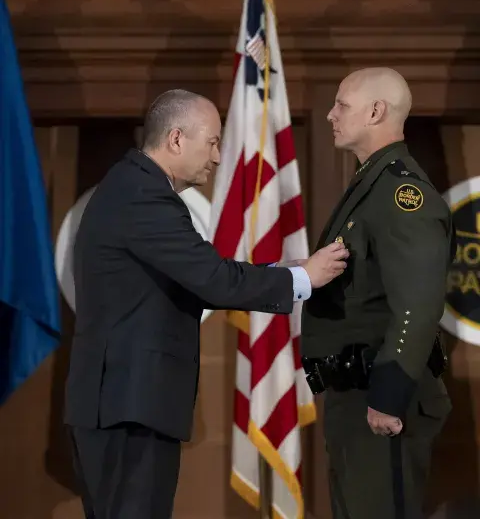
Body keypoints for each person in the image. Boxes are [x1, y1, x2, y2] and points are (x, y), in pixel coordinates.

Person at [64, 89, 349, 519]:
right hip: (127, 408)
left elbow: (197, 275)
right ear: (176, 139)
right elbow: (213, 280)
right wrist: (304, 278)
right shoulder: (144, 196)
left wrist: (283, 268)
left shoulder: (134, 187)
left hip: (123, 404)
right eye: (212, 142)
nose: (217, 157)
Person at [301, 68, 456, 519]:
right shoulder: (372, 183)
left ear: (376, 111)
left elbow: (419, 302)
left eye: (341, 105)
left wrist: (388, 394)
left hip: (385, 398)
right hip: (357, 394)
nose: (331, 115)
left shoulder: (401, 191)